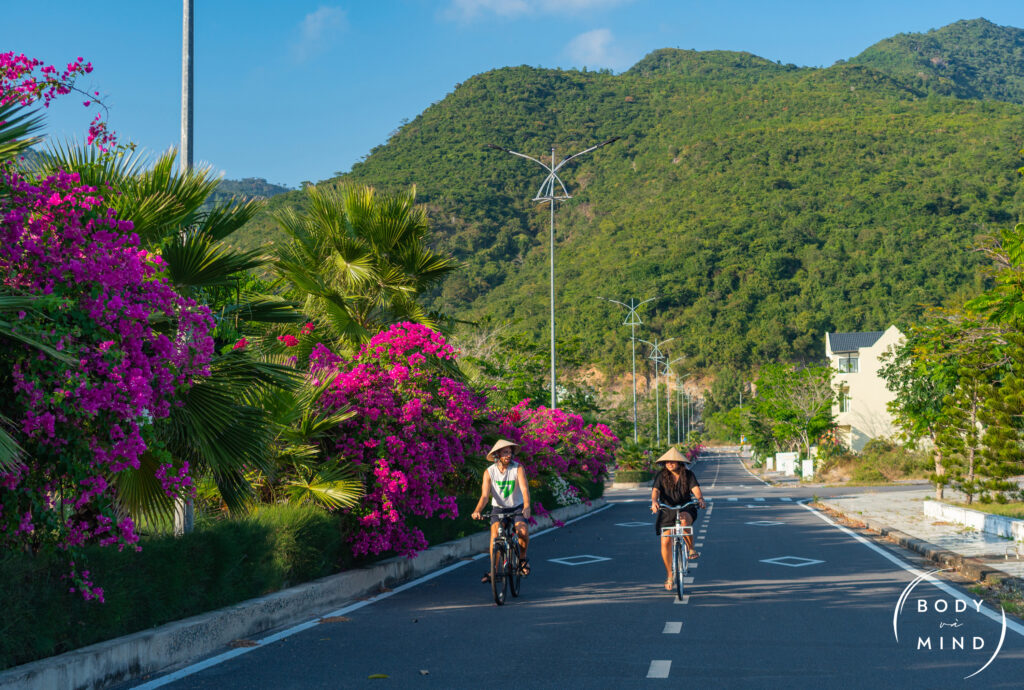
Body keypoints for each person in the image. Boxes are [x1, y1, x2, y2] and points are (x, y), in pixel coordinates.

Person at [472, 439, 532, 583]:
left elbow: (524, 489)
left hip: (516, 507)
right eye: (505, 452)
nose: (509, 455)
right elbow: (485, 496)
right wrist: (477, 510)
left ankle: (522, 560)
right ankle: (494, 570)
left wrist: (527, 506)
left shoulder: (518, 468)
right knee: (495, 538)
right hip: (498, 509)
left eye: (510, 452)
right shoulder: (489, 472)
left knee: (522, 532)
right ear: (497, 454)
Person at [650, 446, 706, 591]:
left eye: (673, 461)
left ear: (680, 462)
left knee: (683, 520)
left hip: (686, 506)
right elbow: (655, 491)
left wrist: (700, 499)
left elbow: (695, 489)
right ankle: (670, 575)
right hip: (667, 509)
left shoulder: (688, 475)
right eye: (667, 462)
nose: (669, 464)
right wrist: (654, 502)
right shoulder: (661, 476)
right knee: (665, 541)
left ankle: (691, 548)